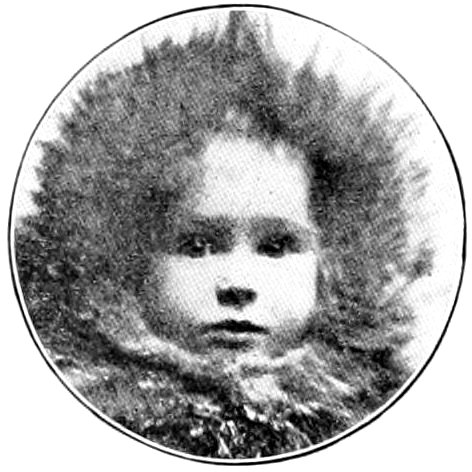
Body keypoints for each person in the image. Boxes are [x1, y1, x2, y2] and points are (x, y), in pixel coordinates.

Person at [14, 11, 429, 459]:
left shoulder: (385, 424)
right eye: (196, 247)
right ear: (126, 264)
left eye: (276, 247)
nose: (237, 284)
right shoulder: (67, 421)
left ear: (336, 262)